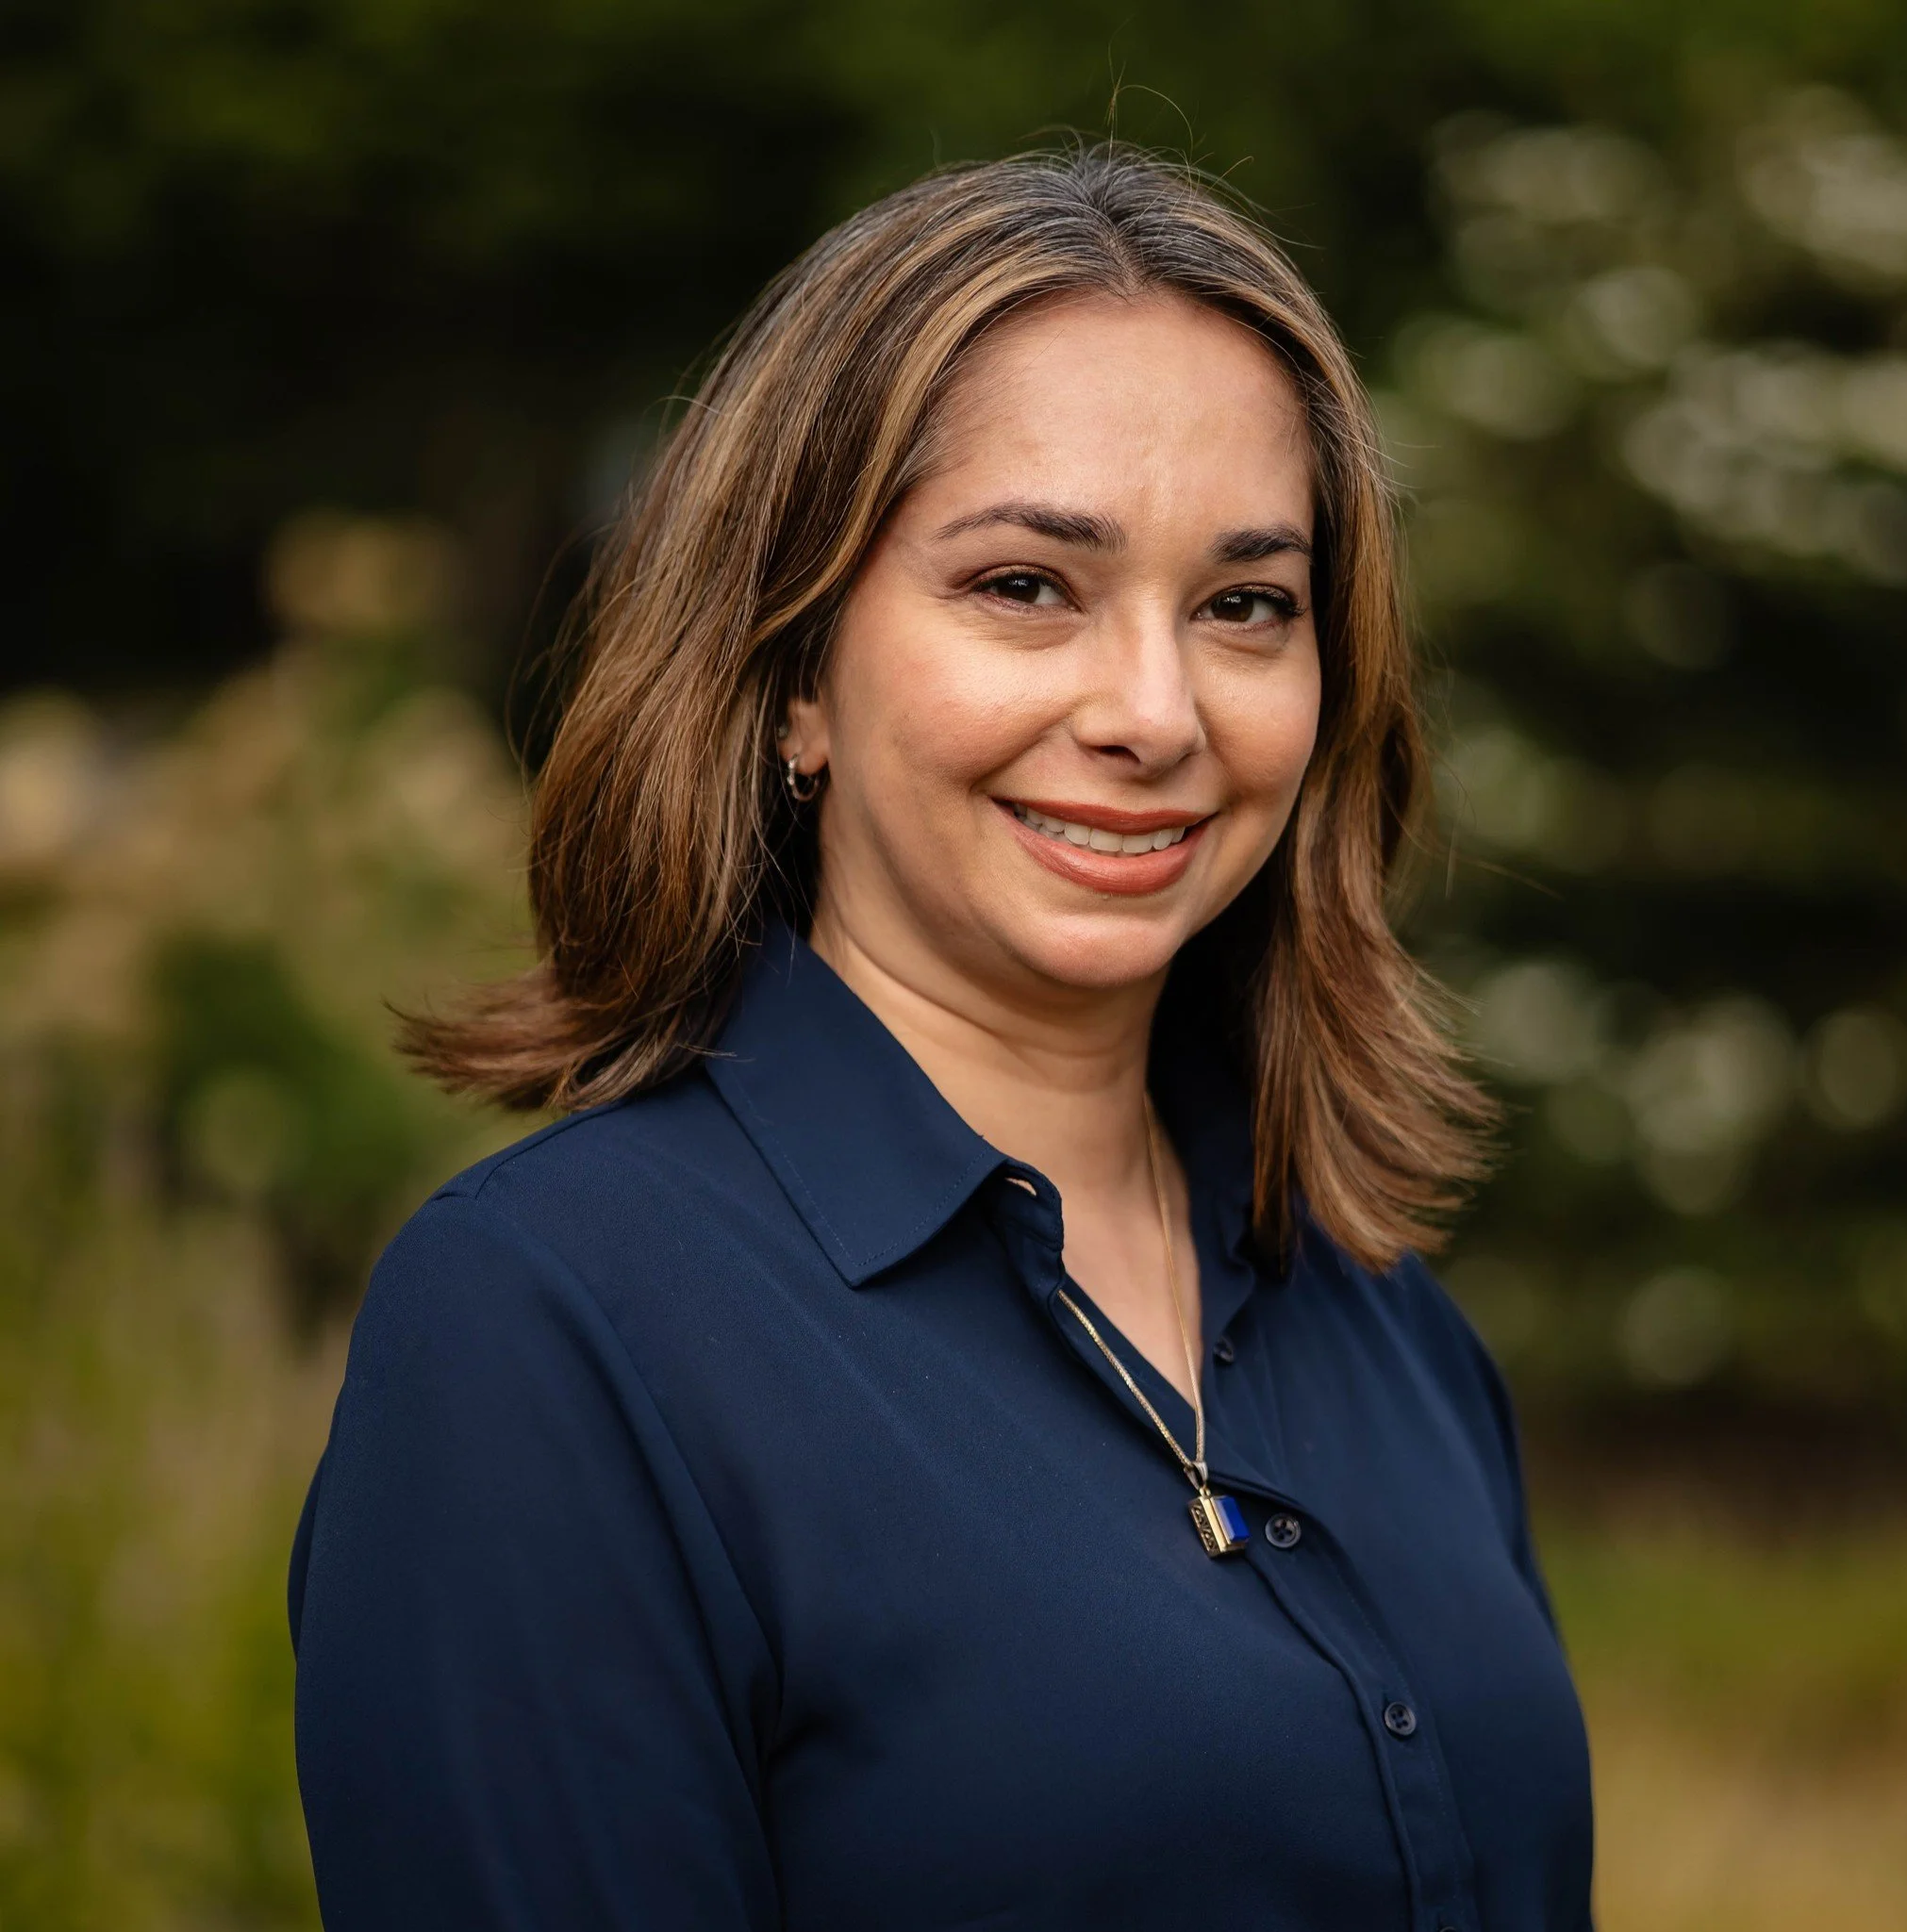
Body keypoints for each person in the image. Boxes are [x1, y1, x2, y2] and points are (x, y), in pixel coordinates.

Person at [289, 146, 1595, 1931]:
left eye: (1245, 606)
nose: (1155, 713)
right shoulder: (554, 1334)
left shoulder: (1385, 1318)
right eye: (1026, 588)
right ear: (797, 672)